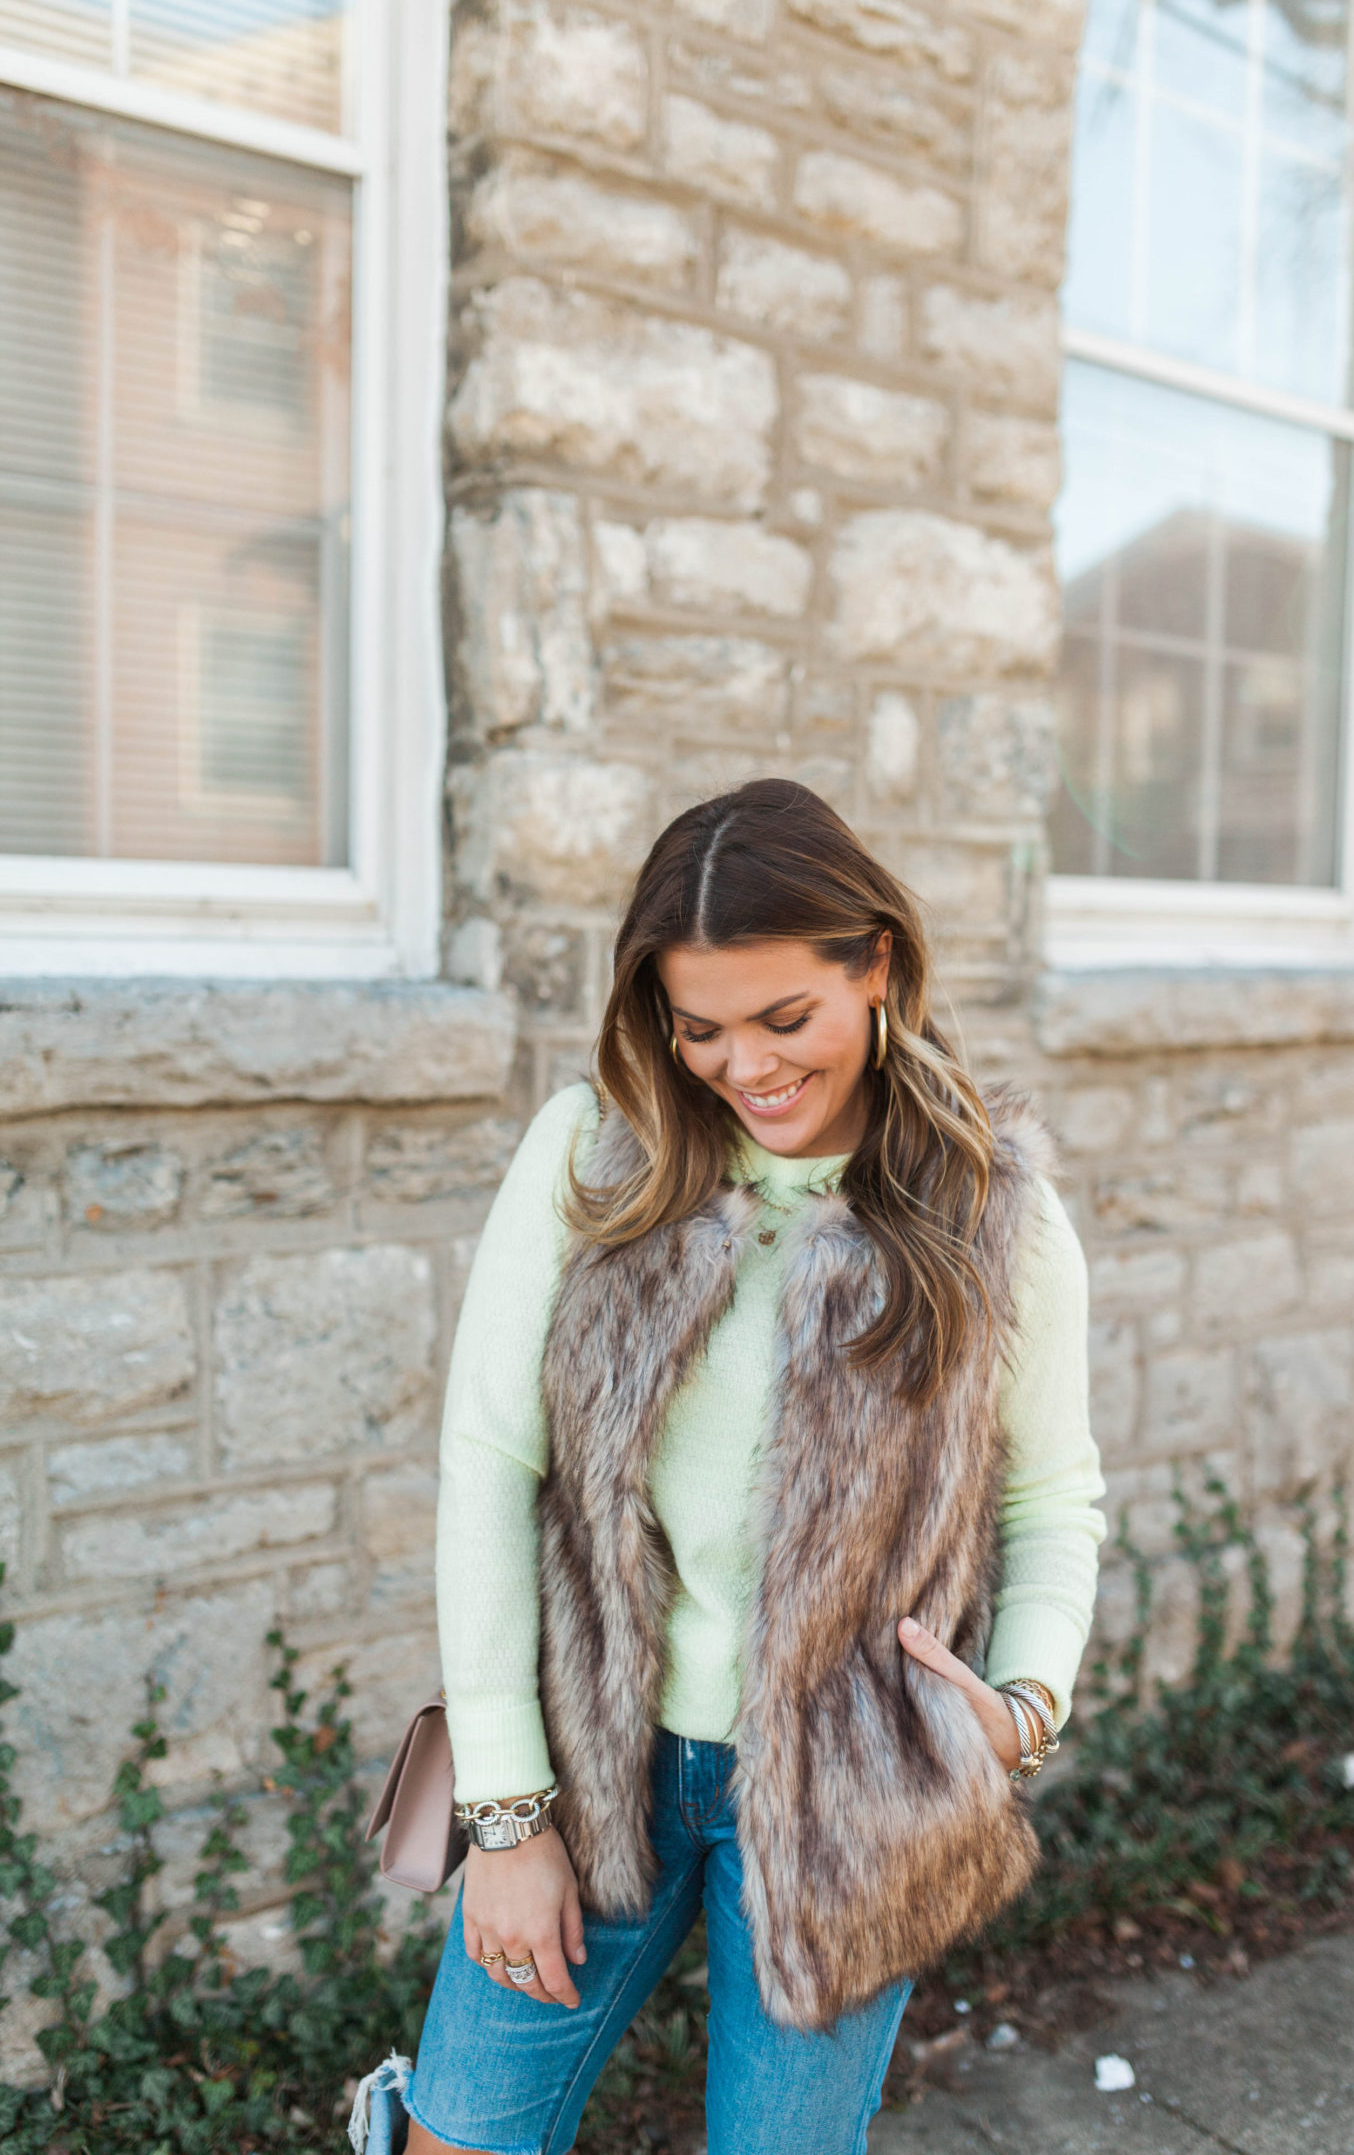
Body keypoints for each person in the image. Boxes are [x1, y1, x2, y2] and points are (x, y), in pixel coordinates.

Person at [366, 780, 1106, 2155]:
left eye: (785, 1019)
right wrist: (509, 1818)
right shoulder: (592, 1154)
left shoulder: (996, 1214)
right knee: (456, 2138)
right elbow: (486, 1467)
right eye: (697, 1028)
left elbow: (1052, 1495)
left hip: (850, 1794)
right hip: (591, 1763)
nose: (745, 1067)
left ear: (875, 966)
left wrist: (1022, 1710)